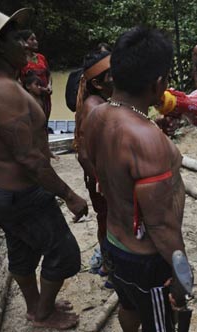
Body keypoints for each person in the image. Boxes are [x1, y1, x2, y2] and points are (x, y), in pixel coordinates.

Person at [0, 6, 88, 330]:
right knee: (64, 252)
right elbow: (28, 158)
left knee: (22, 250)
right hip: (22, 193)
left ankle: (35, 306)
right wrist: (69, 194)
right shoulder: (2, 90)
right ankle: (44, 314)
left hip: (1, 191)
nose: (27, 47)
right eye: (18, 40)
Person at [84, 27, 188, 332]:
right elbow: (161, 225)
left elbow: (100, 168)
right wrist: (181, 276)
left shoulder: (96, 115)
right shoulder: (147, 140)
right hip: (145, 259)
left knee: (128, 305)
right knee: (160, 324)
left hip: (113, 244)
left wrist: (151, 130)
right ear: (158, 83)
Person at [73, 50, 112, 280]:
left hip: (105, 175)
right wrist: (102, 182)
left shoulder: (106, 100)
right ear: (97, 83)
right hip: (100, 178)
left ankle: (109, 261)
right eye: (113, 73)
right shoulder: (94, 107)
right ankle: (109, 266)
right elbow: (83, 155)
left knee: (108, 218)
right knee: (107, 218)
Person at [18, 29, 53, 121]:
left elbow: (48, 74)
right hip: (30, 97)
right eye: (32, 39)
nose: (36, 42)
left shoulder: (41, 57)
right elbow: (17, 80)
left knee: (44, 122)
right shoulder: (20, 60)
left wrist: (49, 85)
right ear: (24, 42)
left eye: (36, 39)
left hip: (45, 97)